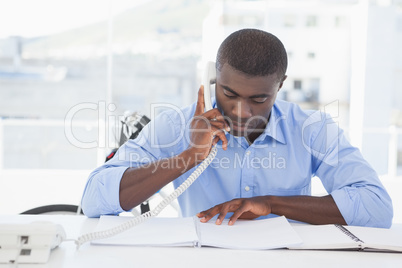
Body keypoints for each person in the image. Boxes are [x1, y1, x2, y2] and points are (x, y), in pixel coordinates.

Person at [81, 28, 393, 228]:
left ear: (280, 85)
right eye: (229, 94)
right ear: (212, 79)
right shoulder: (176, 124)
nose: (242, 111)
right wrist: (190, 155)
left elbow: (376, 207)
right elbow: (94, 199)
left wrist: (271, 204)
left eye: (259, 98)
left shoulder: (311, 128)